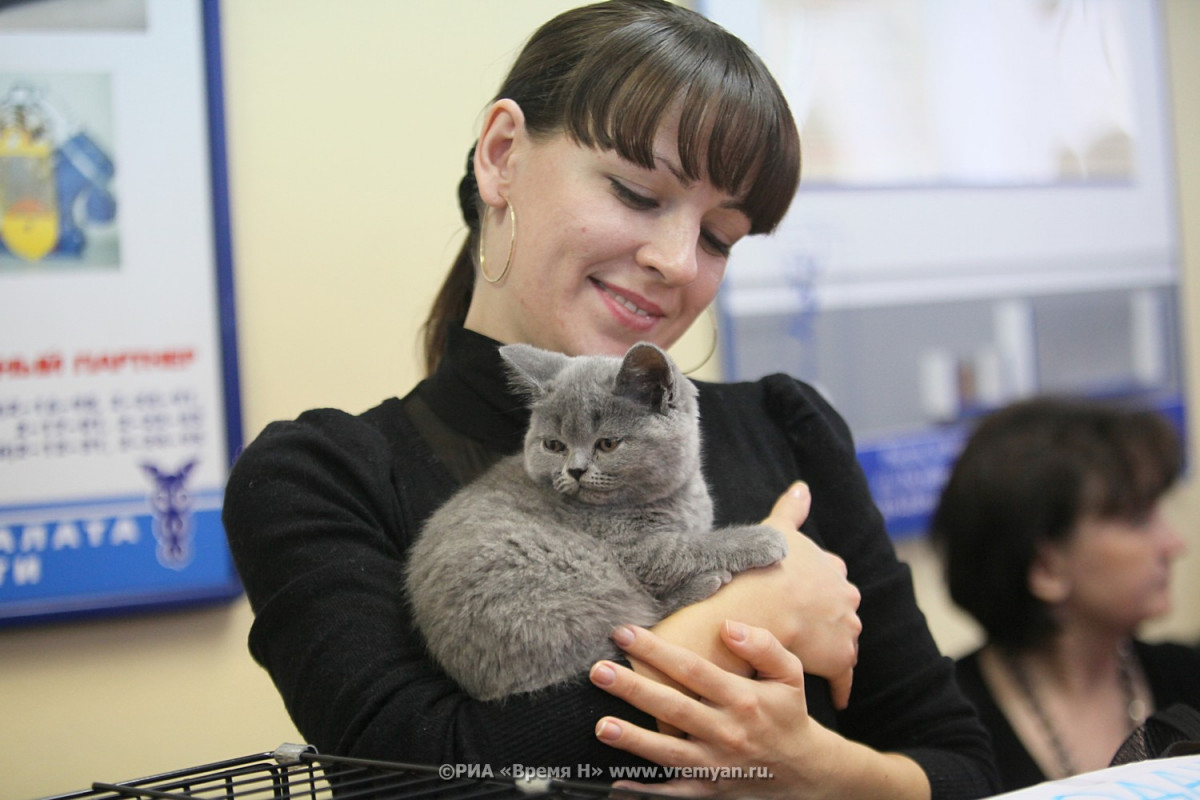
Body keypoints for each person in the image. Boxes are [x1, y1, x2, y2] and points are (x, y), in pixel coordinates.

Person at [222, 2, 998, 797]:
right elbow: (429, 781)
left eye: (720, 236)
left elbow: (962, 768)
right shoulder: (322, 478)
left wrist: (814, 771)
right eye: (637, 192)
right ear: (500, 156)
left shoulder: (785, 428)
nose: (677, 261)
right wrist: (747, 619)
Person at [931, 396, 1200, 793]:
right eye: (1138, 520)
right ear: (1045, 567)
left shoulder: (1189, 677)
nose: (1173, 544)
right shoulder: (942, 722)